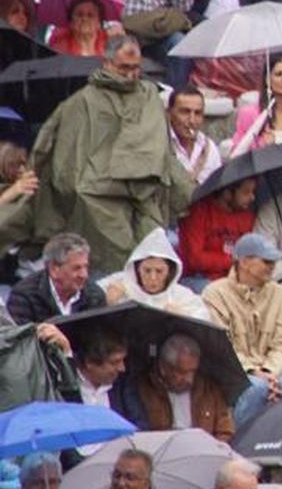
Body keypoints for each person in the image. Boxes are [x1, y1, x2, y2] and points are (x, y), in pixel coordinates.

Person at [30, 37, 192, 272]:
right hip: (98, 196)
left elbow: (161, 147)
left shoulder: (149, 95)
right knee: (112, 267)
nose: (131, 74)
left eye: (136, 68)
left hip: (145, 191)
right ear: (106, 63)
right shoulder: (83, 101)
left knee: (150, 263)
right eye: (124, 67)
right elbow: (65, 161)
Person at [203, 233, 282, 427]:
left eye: (274, 261)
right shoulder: (215, 293)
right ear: (244, 262)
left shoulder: (280, 293)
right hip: (232, 372)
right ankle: (240, 446)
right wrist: (254, 371)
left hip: (271, 371)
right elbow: (221, 346)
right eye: (266, 261)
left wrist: (270, 372)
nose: (272, 266)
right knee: (255, 387)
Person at [100, 226, 205, 319]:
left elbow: (204, 319)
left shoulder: (181, 296)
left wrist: (184, 317)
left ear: (169, 271)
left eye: (159, 271)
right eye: (147, 270)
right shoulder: (120, 283)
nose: (153, 277)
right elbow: (88, 298)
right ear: (137, 268)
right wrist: (106, 302)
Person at [6, 232, 106, 324]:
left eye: (86, 267)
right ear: (54, 269)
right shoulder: (23, 297)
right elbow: (20, 341)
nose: (84, 275)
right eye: (76, 268)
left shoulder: (95, 295)